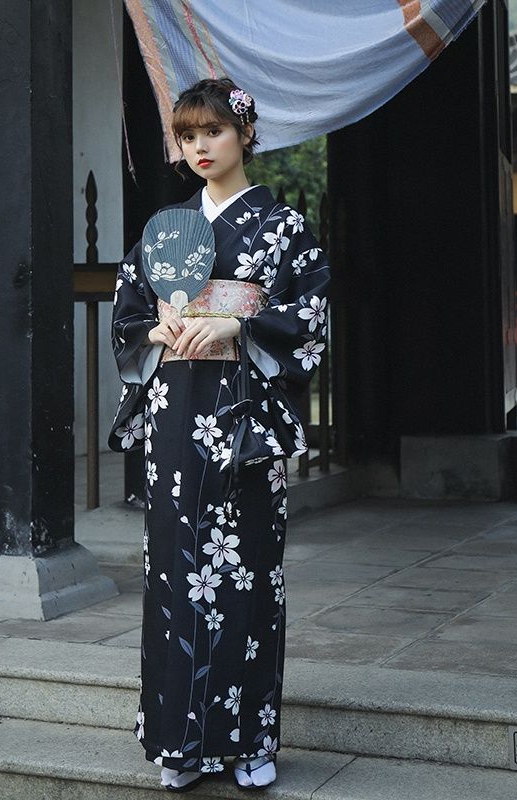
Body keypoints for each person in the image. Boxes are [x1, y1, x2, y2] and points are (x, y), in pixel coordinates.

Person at [108, 77, 331, 792]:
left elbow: (309, 315)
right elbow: (127, 320)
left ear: (245, 134)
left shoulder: (283, 229)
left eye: (213, 132)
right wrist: (157, 327)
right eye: (187, 135)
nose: (199, 147)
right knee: (176, 575)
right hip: (176, 412)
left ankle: (251, 739)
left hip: (242, 415)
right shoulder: (165, 230)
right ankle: (179, 743)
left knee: (248, 574)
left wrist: (237, 321)